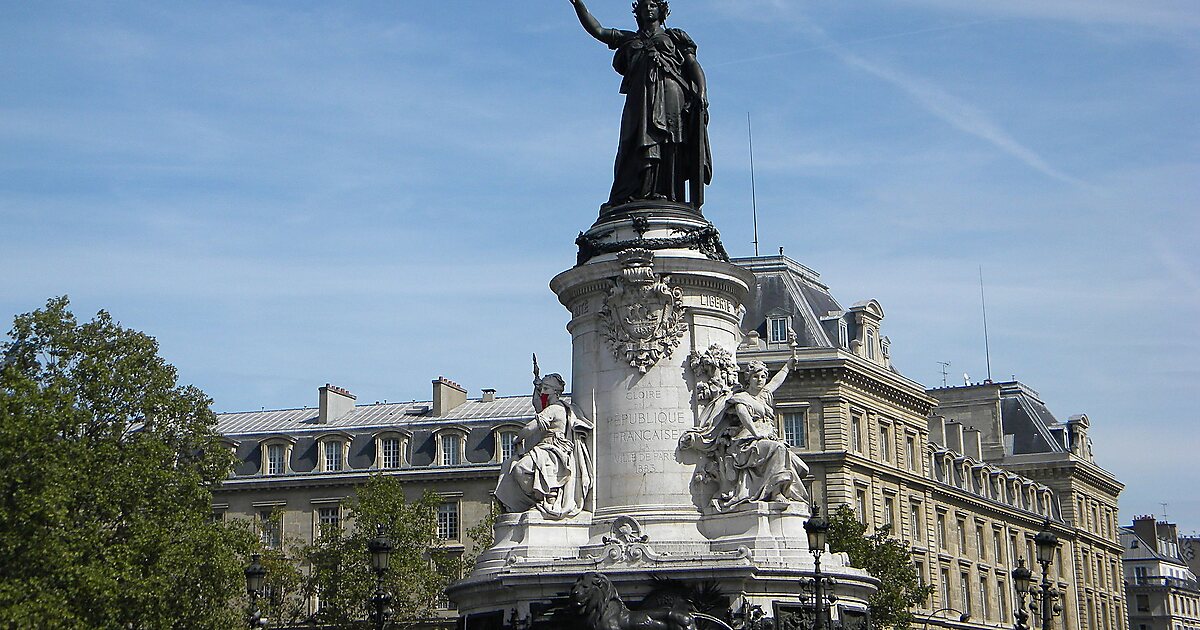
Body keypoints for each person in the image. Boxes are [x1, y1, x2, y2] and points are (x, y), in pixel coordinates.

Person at [569, 0, 712, 210]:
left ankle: (669, 193)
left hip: (671, 95)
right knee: (632, 140)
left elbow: (692, 64)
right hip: (639, 98)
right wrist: (578, 4)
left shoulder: (675, 37)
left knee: (670, 142)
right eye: (644, 5)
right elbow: (598, 30)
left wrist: (702, 90)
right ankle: (634, 191)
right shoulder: (629, 39)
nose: (648, 8)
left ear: (661, 9)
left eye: (653, 4)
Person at [680, 359, 810, 511]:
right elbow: (744, 418)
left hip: (763, 440)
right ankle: (776, 493)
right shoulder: (742, 398)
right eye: (755, 377)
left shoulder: (764, 395)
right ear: (748, 378)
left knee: (800, 466)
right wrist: (758, 435)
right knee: (778, 449)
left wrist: (788, 366)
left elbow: (776, 381)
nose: (759, 380)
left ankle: (776, 491)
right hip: (745, 443)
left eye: (762, 377)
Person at [494, 366, 593, 519]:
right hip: (545, 448)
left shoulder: (555, 409)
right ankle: (538, 498)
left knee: (520, 468)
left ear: (555, 391)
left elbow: (529, 428)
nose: (543, 391)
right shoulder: (551, 407)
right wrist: (536, 385)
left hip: (552, 450)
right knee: (509, 465)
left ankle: (542, 498)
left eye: (546, 388)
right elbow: (537, 404)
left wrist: (518, 439)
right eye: (542, 388)